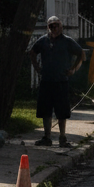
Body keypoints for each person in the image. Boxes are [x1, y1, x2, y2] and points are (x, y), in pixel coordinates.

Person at [29, 15, 84, 148]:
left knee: (62, 111)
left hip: (61, 81)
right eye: (51, 26)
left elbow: (81, 54)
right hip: (46, 80)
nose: (54, 28)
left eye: (57, 25)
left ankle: (62, 137)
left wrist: (73, 69)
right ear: (48, 27)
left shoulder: (67, 41)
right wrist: (37, 67)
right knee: (45, 111)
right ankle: (47, 137)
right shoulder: (43, 41)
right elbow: (32, 52)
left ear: (61, 27)